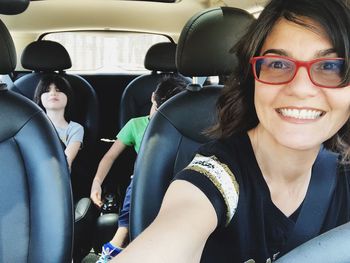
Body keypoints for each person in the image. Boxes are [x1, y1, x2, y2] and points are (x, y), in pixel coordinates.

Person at [112, 0, 350, 262]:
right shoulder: (216, 177)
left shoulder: (343, 172)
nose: (301, 89)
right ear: (253, 78)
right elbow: (179, 223)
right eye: (278, 64)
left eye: (331, 67)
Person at [90, 75, 188, 262]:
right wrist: (97, 182)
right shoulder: (136, 125)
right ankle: (116, 245)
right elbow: (110, 156)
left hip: (178, 179)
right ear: (153, 98)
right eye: (160, 108)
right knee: (137, 183)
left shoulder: (184, 127)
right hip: (144, 180)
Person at [34, 74, 84, 171]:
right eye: (47, 90)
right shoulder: (32, 126)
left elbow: (66, 161)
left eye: (58, 90)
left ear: (68, 97)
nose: (53, 93)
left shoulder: (75, 129)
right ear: (39, 98)